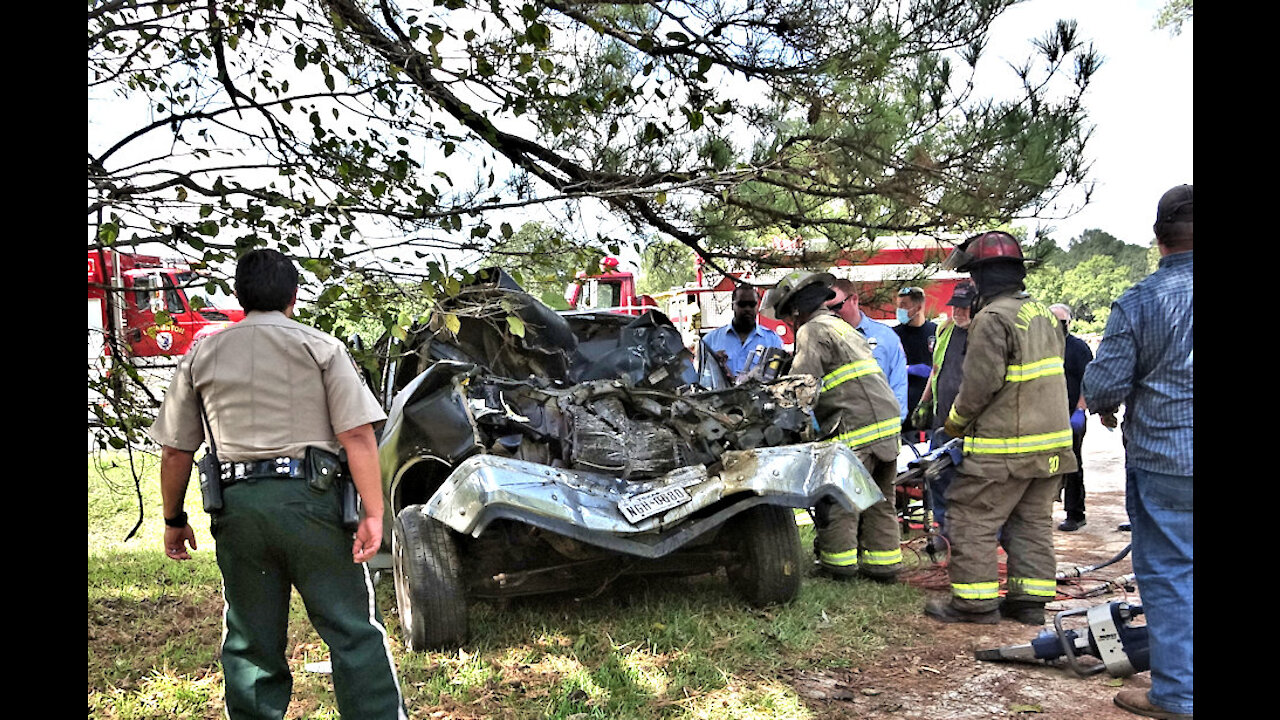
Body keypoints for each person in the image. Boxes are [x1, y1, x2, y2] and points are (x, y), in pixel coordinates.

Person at [151, 249, 408, 720]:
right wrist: (374, 513)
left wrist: (173, 519)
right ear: (295, 296)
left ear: (238, 295)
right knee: (351, 629)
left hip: (239, 508)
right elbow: (357, 435)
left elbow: (175, 450)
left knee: (251, 639)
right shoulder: (321, 347)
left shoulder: (201, 354)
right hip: (315, 503)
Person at [923, 231, 1076, 626]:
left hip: (1006, 446)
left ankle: (974, 604)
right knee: (1031, 522)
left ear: (983, 278)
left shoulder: (991, 318)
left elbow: (978, 388)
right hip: (1053, 448)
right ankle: (1029, 602)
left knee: (971, 516)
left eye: (972, 277)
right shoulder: (1043, 313)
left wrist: (954, 424)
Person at [1082, 184, 1193, 720]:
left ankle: (1178, 694)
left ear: (1158, 238)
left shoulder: (1140, 300)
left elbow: (1103, 388)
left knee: (1172, 571)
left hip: (1166, 457)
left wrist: (1108, 401)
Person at [763, 271, 904, 582]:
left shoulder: (811, 331)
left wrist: (768, 398)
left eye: (788, 317)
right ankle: (884, 566)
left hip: (856, 427)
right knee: (880, 498)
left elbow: (801, 385)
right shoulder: (843, 327)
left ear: (797, 310)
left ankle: (837, 567)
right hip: (887, 425)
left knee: (839, 497)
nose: (789, 324)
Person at [911, 279, 976, 547]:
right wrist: (925, 403)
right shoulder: (946, 330)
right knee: (937, 477)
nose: (957, 312)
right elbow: (937, 370)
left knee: (970, 483)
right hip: (942, 421)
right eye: (954, 307)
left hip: (971, 425)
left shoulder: (985, 333)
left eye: (963, 307)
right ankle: (943, 533)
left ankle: (971, 537)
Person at [825, 277, 909, 420]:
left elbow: (898, 385)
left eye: (837, 306)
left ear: (854, 300)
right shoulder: (824, 341)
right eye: (827, 309)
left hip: (883, 431)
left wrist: (895, 423)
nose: (832, 313)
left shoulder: (885, 337)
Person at [1049, 303, 1095, 532]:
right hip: (1047, 415)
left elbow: (1089, 381)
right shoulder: (1041, 346)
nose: (1058, 326)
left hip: (1071, 413)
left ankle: (1075, 513)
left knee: (1072, 463)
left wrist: (1080, 409)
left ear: (1069, 323)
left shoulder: (1078, 348)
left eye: (1062, 322)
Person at [702, 283, 783, 382]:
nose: (747, 309)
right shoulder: (710, 341)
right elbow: (702, 379)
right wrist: (715, 363)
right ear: (733, 306)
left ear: (757, 306)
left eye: (752, 305)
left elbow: (778, 379)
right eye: (742, 304)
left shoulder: (773, 340)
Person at [893, 286, 937, 442]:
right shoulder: (893, 335)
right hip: (902, 410)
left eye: (904, 306)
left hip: (928, 411)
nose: (899, 310)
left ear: (918, 307)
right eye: (898, 305)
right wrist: (908, 369)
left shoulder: (935, 332)